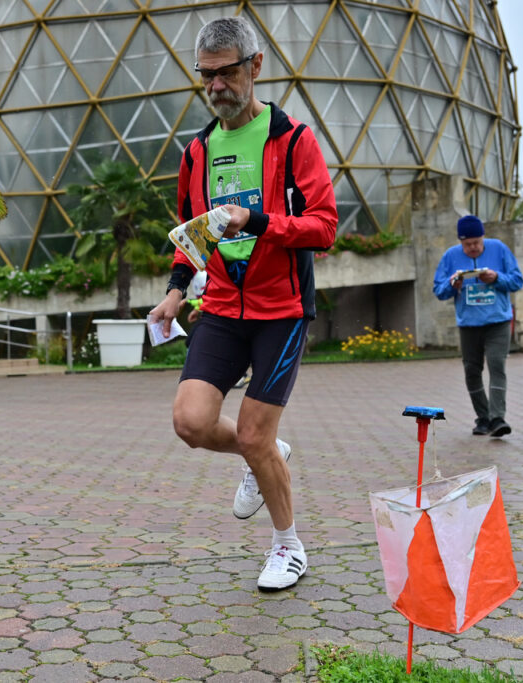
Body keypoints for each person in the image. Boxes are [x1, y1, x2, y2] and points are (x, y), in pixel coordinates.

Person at [149, 16, 337, 591]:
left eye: (227, 73)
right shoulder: (197, 151)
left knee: (253, 435)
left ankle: (288, 547)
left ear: (255, 66)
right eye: (206, 76)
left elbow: (324, 227)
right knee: (190, 422)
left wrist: (254, 220)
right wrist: (175, 292)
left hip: (282, 309)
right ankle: (267, 453)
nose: (216, 86)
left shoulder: (293, 140)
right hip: (222, 307)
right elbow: (193, 234)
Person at [433, 215, 523, 438]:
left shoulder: (499, 249)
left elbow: (517, 281)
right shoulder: (450, 256)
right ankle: (483, 418)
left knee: (496, 365)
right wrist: (453, 284)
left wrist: (496, 278)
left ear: (483, 238)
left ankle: (497, 418)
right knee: (472, 371)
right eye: (467, 244)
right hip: (469, 324)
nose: (473, 248)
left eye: (477, 243)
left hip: (498, 322)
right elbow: (439, 290)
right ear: (460, 242)